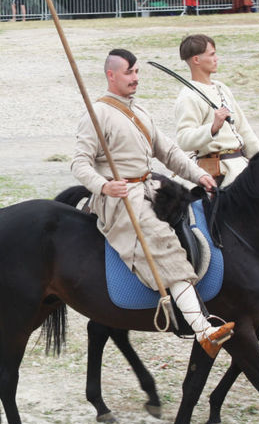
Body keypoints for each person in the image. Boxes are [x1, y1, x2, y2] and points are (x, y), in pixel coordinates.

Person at [71, 48, 234, 358]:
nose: (135, 78)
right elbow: (79, 163)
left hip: (150, 187)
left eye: (136, 72)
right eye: (129, 73)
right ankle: (203, 329)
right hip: (120, 200)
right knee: (161, 242)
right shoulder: (97, 114)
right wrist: (104, 186)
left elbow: (169, 152)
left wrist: (199, 175)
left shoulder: (139, 111)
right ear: (111, 75)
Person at [174, 34, 259, 186]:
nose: (217, 59)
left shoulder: (222, 88)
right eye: (212, 54)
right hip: (217, 172)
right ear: (196, 60)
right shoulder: (188, 96)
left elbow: (244, 130)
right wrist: (213, 128)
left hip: (241, 165)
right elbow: (183, 139)